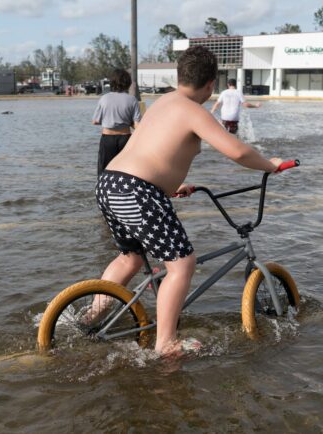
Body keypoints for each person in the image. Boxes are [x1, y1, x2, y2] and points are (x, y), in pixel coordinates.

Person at [95, 46, 283, 356]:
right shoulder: (194, 110)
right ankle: (166, 342)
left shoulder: (163, 102)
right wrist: (270, 164)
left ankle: (88, 318)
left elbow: (151, 149)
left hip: (111, 183)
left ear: (179, 75)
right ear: (211, 85)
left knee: (130, 257)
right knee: (182, 264)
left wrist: (169, 184)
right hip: (137, 189)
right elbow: (236, 151)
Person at [92, 68, 141, 176]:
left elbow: (95, 121)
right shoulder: (132, 100)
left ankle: (103, 191)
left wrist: (109, 119)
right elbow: (137, 125)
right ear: (127, 83)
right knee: (126, 171)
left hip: (108, 139)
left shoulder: (104, 98)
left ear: (112, 83)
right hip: (126, 139)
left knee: (104, 171)